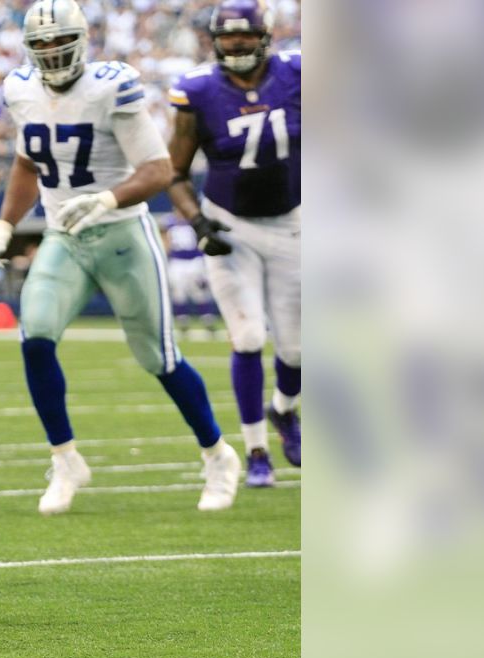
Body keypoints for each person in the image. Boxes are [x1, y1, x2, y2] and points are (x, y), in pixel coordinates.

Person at [0, 0, 241, 514]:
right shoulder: (20, 89)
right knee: (35, 335)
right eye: (42, 45)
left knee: (158, 358)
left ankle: (217, 454)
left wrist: (105, 198)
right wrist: (6, 222)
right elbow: (27, 164)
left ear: (81, 40)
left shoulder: (110, 86)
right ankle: (65, 458)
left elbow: (160, 169)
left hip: (122, 235)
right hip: (64, 237)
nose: (52, 52)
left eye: (60, 42)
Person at [167, 0, 300, 489]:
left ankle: (284, 411)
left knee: (299, 349)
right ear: (214, 40)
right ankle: (257, 451)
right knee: (247, 336)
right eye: (228, 37)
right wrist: (199, 223)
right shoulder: (198, 90)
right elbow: (174, 173)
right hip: (229, 225)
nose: (237, 45)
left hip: (292, 221)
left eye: (246, 36)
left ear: (265, 35)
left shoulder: (300, 74)